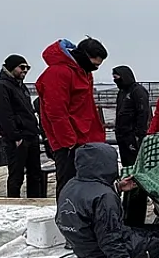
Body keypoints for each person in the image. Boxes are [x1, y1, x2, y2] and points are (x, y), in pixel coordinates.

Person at [35, 37, 108, 198]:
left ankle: (83, 214)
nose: (95, 68)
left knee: (85, 181)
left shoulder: (84, 72)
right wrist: (68, 141)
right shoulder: (58, 73)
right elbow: (55, 111)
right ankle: (66, 216)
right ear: (83, 55)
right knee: (68, 182)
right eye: (94, 64)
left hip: (86, 137)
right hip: (69, 142)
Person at [0, 54, 47, 199]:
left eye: (27, 68)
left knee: (35, 174)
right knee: (16, 175)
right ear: (11, 67)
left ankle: (34, 201)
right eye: (22, 67)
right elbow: (4, 115)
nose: (25, 70)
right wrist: (15, 136)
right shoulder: (1, 87)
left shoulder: (21, 87)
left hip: (31, 135)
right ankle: (13, 202)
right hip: (18, 138)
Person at [112, 65, 152, 226]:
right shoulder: (122, 93)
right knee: (127, 173)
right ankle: (127, 210)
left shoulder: (138, 92)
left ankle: (136, 216)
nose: (115, 80)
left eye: (117, 77)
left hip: (133, 141)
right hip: (123, 140)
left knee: (136, 177)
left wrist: (138, 138)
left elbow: (144, 114)